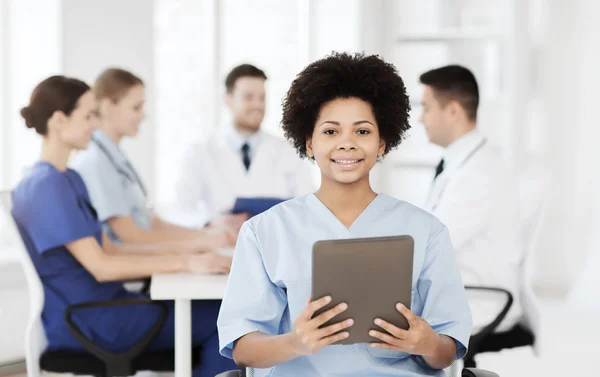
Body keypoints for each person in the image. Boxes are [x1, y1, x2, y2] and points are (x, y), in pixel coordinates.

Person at [217, 53, 472, 376]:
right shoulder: (265, 231)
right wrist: (296, 342)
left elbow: (447, 351)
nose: (347, 144)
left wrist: (426, 344)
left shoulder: (427, 232)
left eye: (363, 132)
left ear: (382, 143)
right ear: (309, 143)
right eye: (331, 132)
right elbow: (242, 349)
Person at [11, 76, 237, 377]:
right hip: (94, 320)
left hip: (111, 307)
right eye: (88, 115)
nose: (95, 124)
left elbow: (111, 247)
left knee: (220, 315)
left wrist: (194, 256)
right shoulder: (45, 186)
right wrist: (187, 261)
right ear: (58, 120)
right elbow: (102, 266)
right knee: (231, 319)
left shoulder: (67, 179)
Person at [70, 68, 238, 248]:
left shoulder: (115, 158)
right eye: (136, 107)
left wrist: (207, 233)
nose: (143, 115)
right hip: (131, 267)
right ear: (107, 107)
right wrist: (203, 242)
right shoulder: (95, 161)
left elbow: (151, 223)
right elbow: (129, 235)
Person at [419, 65, 523, 332]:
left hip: (479, 299)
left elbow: (435, 246)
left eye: (427, 108)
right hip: (456, 291)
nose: (421, 119)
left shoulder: (480, 173)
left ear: (453, 111)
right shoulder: (459, 163)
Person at [171, 64, 315, 227]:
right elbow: (179, 209)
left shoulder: (288, 150)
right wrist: (209, 223)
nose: (257, 105)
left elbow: (307, 205)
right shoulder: (200, 151)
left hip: (275, 246)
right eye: (248, 97)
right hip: (220, 247)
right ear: (228, 100)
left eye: (262, 98)